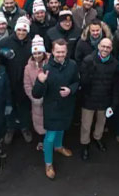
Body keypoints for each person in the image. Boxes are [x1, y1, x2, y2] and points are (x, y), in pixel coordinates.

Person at [32, 39, 80, 180]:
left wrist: (70, 90)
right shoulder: (46, 69)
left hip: (67, 105)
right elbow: (36, 94)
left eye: (63, 52)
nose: (60, 54)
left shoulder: (72, 65)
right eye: (57, 52)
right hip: (52, 108)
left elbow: (77, 82)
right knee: (50, 137)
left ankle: (58, 147)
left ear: (66, 52)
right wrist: (40, 82)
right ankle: (48, 163)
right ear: (52, 52)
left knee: (62, 129)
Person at [0, 17, 34, 145]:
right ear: (15, 30)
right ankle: (10, 128)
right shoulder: (5, 42)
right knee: (9, 106)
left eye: (24, 30)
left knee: (24, 106)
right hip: (9, 81)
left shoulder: (31, 44)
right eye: (19, 30)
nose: (21, 32)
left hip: (24, 82)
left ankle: (24, 127)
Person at [79, 38, 119, 161]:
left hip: (105, 99)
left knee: (101, 123)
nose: (105, 49)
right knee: (86, 125)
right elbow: (82, 82)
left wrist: (114, 103)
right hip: (89, 99)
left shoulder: (115, 64)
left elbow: (116, 85)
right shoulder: (88, 61)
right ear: (98, 47)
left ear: (111, 49)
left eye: (108, 47)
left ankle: (97, 138)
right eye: (103, 46)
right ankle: (85, 144)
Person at [23, 36, 49, 151]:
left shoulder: (51, 62)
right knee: (39, 122)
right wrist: (34, 98)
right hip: (37, 101)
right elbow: (27, 85)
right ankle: (41, 140)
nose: (37, 55)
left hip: (51, 99)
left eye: (40, 52)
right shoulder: (28, 68)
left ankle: (51, 141)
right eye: (35, 53)